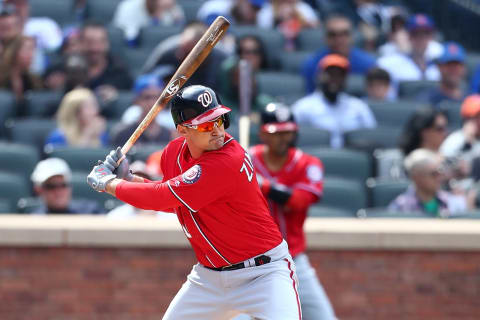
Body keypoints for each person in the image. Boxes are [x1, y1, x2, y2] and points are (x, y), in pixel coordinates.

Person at [87, 85, 302, 319]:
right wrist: (129, 180)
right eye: (207, 125)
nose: (218, 131)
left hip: (263, 274)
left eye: (220, 120)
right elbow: (177, 202)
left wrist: (108, 183)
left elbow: (161, 196)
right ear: (183, 130)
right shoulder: (172, 153)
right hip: (209, 279)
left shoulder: (228, 160)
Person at [249, 102, 336, 320]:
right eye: (276, 133)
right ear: (263, 134)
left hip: (293, 259)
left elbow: (298, 201)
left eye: (287, 132)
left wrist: (262, 185)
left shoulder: (308, 164)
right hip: (251, 261)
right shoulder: (245, 161)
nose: (283, 139)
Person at [293, 54, 377, 148]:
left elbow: (371, 137)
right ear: (319, 76)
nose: (334, 79)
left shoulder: (359, 107)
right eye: (330, 74)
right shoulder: (303, 107)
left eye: (339, 75)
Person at [141, 21, 228, 91]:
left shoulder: (222, 57)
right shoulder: (167, 50)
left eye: (187, 52)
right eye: (181, 48)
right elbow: (145, 79)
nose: (179, 55)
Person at [302, 13, 376, 94]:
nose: (338, 39)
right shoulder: (313, 65)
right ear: (325, 38)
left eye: (344, 34)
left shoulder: (368, 64)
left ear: (352, 37)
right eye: (332, 35)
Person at [388, 148, 470, 217]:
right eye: (434, 174)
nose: (439, 177)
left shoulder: (454, 202)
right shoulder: (400, 207)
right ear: (416, 177)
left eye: (440, 172)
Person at [377, 14, 441, 98]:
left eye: (426, 33)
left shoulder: (441, 61)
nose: (421, 38)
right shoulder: (390, 63)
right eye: (415, 34)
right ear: (408, 36)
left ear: (431, 36)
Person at [111, 73, 174, 147]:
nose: (152, 103)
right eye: (147, 97)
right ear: (136, 100)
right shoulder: (124, 134)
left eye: (157, 98)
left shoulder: (171, 135)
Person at [218, 34, 272, 116]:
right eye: (246, 52)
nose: (250, 57)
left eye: (255, 52)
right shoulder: (230, 67)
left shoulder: (265, 104)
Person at [80, 21, 133, 102]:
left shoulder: (120, 71)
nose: (95, 48)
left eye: (100, 42)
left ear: (107, 44)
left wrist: (117, 95)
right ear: (81, 43)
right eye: (89, 42)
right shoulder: (69, 68)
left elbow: (128, 98)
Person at [30, 157, 103, 214]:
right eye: (51, 187)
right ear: (38, 190)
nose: (58, 192)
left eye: (63, 185)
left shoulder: (92, 212)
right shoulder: (33, 222)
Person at [45, 88, 109, 149]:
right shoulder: (58, 137)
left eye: (95, 106)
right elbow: (74, 158)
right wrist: (87, 136)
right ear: (75, 112)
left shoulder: (101, 135)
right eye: (89, 107)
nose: (95, 111)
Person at [113, 0, 185, 45]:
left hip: (157, 46)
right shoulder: (129, 7)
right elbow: (131, 41)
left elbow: (180, 31)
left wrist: (173, 13)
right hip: (132, 47)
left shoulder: (170, 6)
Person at [417, 42, 467, 107]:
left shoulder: (471, 100)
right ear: (439, 67)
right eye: (449, 66)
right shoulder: (426, 100)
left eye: (457, 66)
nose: (453, 70)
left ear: (463, 68)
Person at [0, 35, 41, 100]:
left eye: (33, 50)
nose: (31, 55)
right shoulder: (2, 76)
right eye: (28, 49)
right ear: (14, 51)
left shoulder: (33, 79)